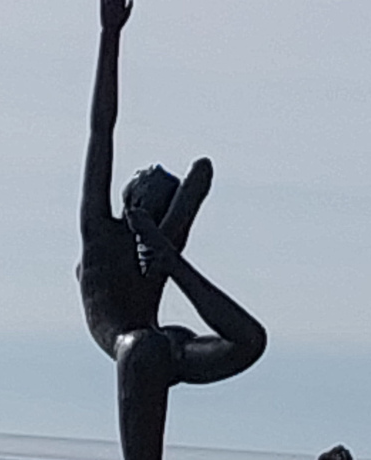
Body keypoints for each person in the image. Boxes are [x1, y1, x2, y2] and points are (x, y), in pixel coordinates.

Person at [77, 2, 267, 459]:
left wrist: (168, 255)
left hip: (161, 341)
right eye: (149, 174)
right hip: (133, 345)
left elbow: (202, 172)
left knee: (251, 341)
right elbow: (101, 130)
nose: (152, 170)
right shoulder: (100, 231)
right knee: (141, 348)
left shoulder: (158, 239)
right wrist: (110, 35)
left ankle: (175, 269)